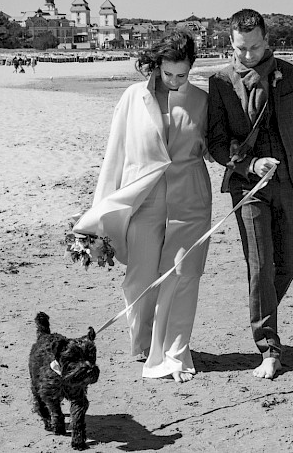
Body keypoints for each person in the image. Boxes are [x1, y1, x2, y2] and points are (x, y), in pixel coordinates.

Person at [72, 31, 211, 383]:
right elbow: (114, 155)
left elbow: (212, 149)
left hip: (190, 198)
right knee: (141, 277)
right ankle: (144, 341)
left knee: (182, 275)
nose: (177, 82)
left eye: (184, 75)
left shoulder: (202, 101)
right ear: (156, 65)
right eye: (169, 74)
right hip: (142, 200)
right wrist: (97, 216)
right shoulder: (133, 98)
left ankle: (174, 353)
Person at [207, 8, 293, 380]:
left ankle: (261, 312)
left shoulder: (291, 75)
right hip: (249, 189)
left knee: (288, 264)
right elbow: (216, 142)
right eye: (242, 48)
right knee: (260, 268)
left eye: (255, 47)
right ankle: (269, 348)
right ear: (230, 42)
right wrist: (249, 164)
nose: (249, 55)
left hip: (292, 183)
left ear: (267, 40)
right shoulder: (220, 82)